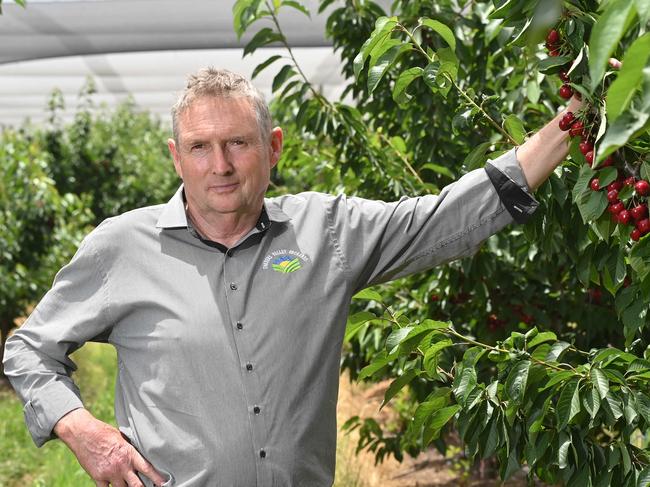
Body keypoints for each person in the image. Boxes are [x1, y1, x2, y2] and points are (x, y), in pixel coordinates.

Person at [4, 67, 580, 487]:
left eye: (237, 144)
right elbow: (30, 348)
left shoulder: (325, 233)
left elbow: (443, 219)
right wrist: (83, 430)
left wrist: (573, 120)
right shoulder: (124, 247)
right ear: (176, 159)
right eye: (200, 148)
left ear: (272, 148)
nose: (220, 166)